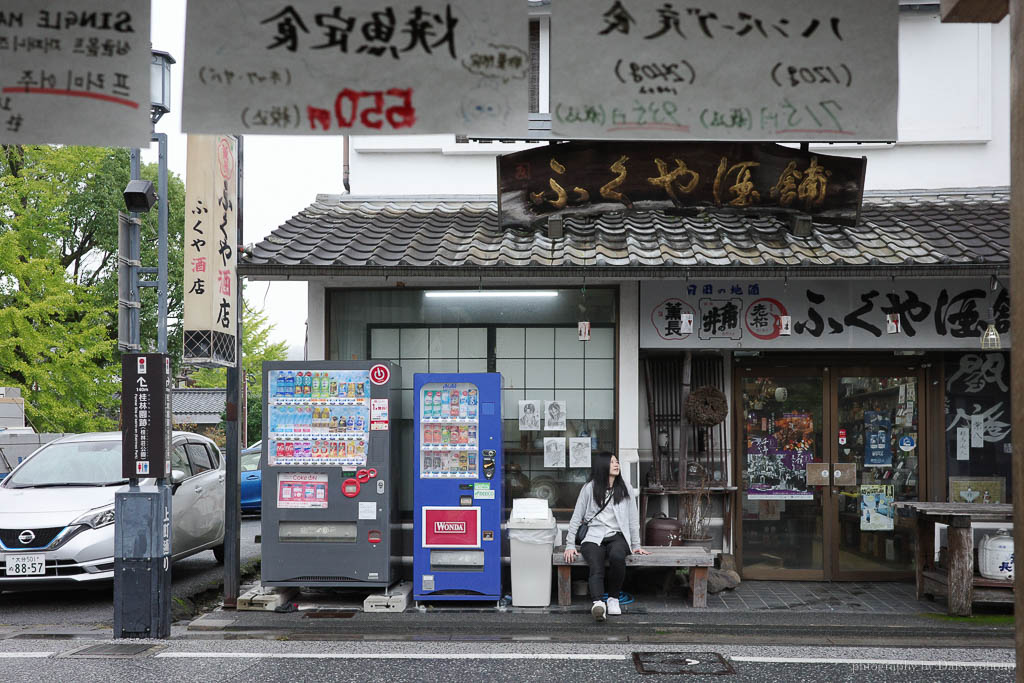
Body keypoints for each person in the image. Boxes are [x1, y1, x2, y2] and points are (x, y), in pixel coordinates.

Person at [564, 454, 649, 621]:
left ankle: (613, 598)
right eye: (612, 462)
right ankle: (598, 603)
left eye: (617, 461)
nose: (616, 464)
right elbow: (576, 516)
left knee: (617, 556)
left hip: (618, 536)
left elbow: (633, 518)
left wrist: (636, 544)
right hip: (593, 536)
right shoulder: (589, 488)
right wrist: (569, 544)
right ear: (602, 465)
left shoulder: (626, 488)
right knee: (596, 564)